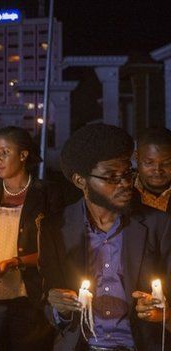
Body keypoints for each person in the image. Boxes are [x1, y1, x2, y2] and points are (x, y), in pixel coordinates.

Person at [39, 124, 171, 350]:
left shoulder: (159, 224)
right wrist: (59, 308)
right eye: (111, 177)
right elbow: (48, 304)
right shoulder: (55, 228)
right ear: (80, 181)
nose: (125, 183)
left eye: (128, 174)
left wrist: (164, 314)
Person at [0, 126, 60, 350]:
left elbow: (57, 248)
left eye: (4, 152)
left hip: (29, 296)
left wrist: (17, 262)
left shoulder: (47, 193)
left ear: (23, 155)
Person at [134, 127, 171, 212]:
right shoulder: (122, 190)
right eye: (149, 163)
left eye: (166, 163)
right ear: (137, 158)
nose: (157, 170)